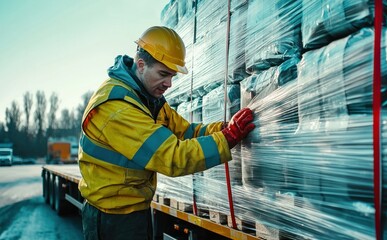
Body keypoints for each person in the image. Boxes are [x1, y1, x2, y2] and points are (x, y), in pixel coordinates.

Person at [78, 26, 255, 240]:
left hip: (133, 210)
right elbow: (171, 156)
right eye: (163, 74)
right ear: (141, 65)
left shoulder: (148, 100)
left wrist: (225, 128)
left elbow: (187, 132)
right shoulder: (118, 108)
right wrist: (226, 140)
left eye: (172, 76)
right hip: (111, 219)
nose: (169, 84)